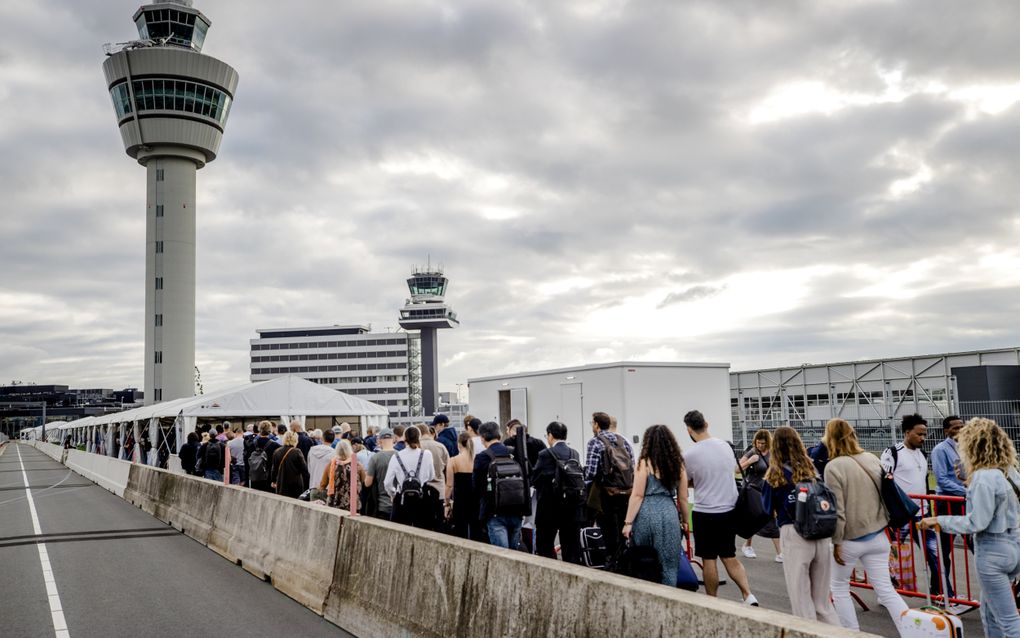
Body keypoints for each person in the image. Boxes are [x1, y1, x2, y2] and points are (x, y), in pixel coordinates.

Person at [920, 417, 1020, 638]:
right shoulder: (1009, 471)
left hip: (992, 551)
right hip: (1014, 545)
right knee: (989, 612)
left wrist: (939, 521)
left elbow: (977, 522)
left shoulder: (983, 477)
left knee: (1009, 620)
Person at [824, 418, 909, 631]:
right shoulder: (871, 458)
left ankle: (851, 633)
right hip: (878, 535)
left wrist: (836, 543)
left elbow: (839, 511)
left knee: (839, 588)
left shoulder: (833, 467)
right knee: (887, 590)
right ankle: (912, 630)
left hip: (850, 539)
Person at [761, 426, 840, 625]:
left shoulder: (775, 474)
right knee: (822, 602)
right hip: (820, 531)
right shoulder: (811, 469)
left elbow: (767, 508)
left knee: (801, 599)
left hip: (793, 532)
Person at [682, 410, 757, 604]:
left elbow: (687, 482)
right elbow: (729, 471)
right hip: (729, 509)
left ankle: (713, 601)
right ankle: (748, 594)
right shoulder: (725, 446)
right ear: (706, 424)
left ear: (689, 430)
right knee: (729, 556)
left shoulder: (689, 454)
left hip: (705, 511)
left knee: (709, 559)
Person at [881, 413, 947, 599]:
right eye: (919, 434)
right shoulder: (892, 452)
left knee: (935, 555)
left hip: (922, 514)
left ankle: (941, 593)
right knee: (893, 557)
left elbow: (923, 482)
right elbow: (884, 483)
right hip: (900, 515)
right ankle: (888, 593)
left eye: (925, 434)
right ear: (907, 432)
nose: (923, 438)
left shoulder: (923, 454)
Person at [621, 424, 688, 585]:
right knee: (669, 565)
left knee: (644, 560)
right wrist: (685, 521)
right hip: (668, 512)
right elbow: (683, 497)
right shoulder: (678, 464)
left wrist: (628, 522)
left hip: (646, 513)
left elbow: (637, 495)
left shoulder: (644, 463)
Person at [931, 415, 972, 614]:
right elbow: (941, 479)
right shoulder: (940, 450)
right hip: (948, 504)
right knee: (944, 550)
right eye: (955, 427)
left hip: (965, 503)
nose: (959, 430)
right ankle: (943, 593)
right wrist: (968, 492)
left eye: (961, 426)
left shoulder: (967, 447)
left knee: (976, 545)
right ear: (946, 430)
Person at [531, 421, 584, 563]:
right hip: (572, 507)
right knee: (571, 547)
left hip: (550, 508)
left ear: (550, 435)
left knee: (545, 545)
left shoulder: (545, 454)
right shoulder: (575, 454)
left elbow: (534, 478)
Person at [584, 411, 635, 559]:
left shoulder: (595, 442)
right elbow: (631, 464)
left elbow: (591, 472)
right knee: (621, 527)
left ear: (596, 425)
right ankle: (623, 561)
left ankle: (612, 562)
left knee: (608, 530)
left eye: (592, 423)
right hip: (625, 492)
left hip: (606, 494)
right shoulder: (622, 440)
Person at [474, 421, 526, 549]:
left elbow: (476, 486)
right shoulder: (513, 453)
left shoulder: (482, 457)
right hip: (516, 510)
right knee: (515, 555)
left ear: (482, 438)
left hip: (494, 512)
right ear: (500, 435)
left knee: (501, 556)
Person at [739, 429, 783, 561]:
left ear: (768, 442)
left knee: (770, 518)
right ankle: (748, 546)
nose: (760, 445)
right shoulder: (753, 452)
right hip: (753, 490)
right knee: (754, 518)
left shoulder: (773, 453)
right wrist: (750, 461)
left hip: (768, 490)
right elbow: (737, 468)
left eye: (763, 443)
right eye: (758, 443)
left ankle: (779, 552)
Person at [384, 426, 435, 527]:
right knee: (423, 532)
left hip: (402, 498)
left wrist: (393, 493)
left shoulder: (396, 456)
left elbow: (387, 482)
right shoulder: (427, 454)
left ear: (404, 439)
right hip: (421, 498)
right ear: (419, 438)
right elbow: (431, 476)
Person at [445, 432, 477, 539]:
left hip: (460, 501)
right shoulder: (477, 460)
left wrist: (447, 504)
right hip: (475, 501)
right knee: (475, 532)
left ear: (459, 444)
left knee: (460, 532)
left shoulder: (453, 461)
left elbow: (449, 485)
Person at [419, 424, 450, 530]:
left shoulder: (417, 447)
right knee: (439, 523)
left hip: (422, 490)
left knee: (424, 523)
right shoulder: (440, 446)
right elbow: (448, 468)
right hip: (439, 489)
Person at [364, 429, 397, 519]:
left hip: (382, 505)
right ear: (394, 439)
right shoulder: (400, 456)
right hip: (398, 505)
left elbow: (368, 483)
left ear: (379, 441)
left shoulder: (375, 458)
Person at [322, 439, 364, 510]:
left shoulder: (332, 465)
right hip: (353, 504)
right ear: (349, 450)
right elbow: (364, 481)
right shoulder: (356, 464)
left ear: (337, 450)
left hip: (335, 502)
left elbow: (323, 484)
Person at [271, 431, 308, 498]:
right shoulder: (297, 452)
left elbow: (274, 469)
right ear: (295, 440)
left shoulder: (277, 451)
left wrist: (273, 481)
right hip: (295, 483)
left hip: (281, 483)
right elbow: (304, 469)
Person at [249, 421, 281, 492]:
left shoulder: (252, 444)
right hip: (268, 478)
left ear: (259, 430)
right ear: (270, 430)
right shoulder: (275, 446)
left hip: (255, 477)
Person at [307, 429, 337, 494]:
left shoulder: (312, 450)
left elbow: (309, 469)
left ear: (322, 438)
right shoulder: (334, 453)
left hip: (313, 486)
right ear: (334, 440)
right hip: (327, 488)